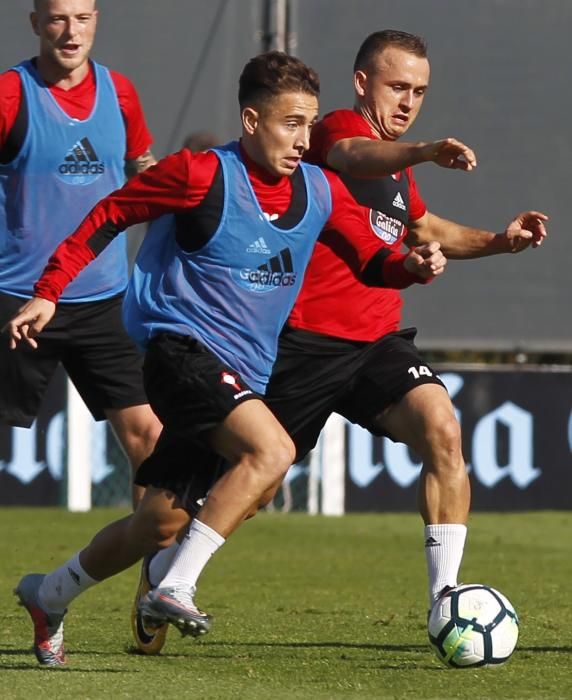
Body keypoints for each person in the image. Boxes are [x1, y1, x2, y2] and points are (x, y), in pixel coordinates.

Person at [5, 50, 447, 667]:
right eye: (290, 124)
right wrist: (49, 292)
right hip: (177, 349)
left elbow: (373, 260)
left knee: (156, 523)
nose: (304, 139)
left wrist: (412, 265)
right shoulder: (199, 174)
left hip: (245, 371)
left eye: (311, 124)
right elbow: (110, 213)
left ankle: (49, 594)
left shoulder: (318, 188)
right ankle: (174, 586)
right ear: (250, 119)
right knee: (272, 451)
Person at [125, 31, 548, 656]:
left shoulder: (398, 163)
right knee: (251, 488)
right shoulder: (331, 132)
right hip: (302, 345)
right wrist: (427, 150)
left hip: (376, 341)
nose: (407, 102)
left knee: (443, 428)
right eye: (397, 87)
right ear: (361, 82)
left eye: (420, 92)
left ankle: (446, 606)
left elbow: (424, 227)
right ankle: (165, 577)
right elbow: (352, 155)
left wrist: (500, 241)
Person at [0, 0, 162, 504]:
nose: (71, 32)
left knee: (152, 442)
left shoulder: (121, 93)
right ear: (35, 24)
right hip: (18, 299)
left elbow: (143, 169)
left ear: (96, 20)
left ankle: (154, 585)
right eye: (57, 19)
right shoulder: (9, 94)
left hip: (104, 299)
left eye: (83, 18)